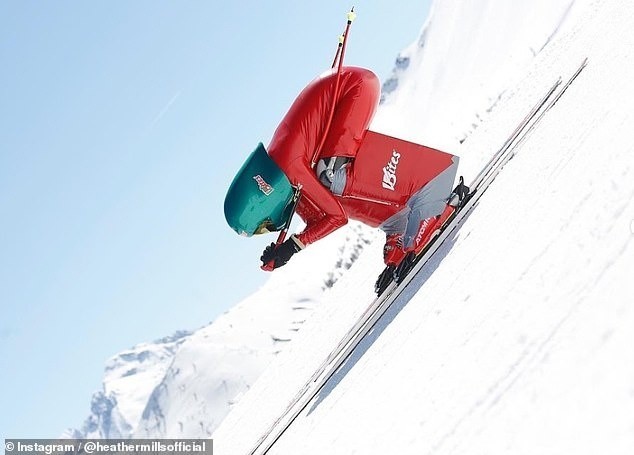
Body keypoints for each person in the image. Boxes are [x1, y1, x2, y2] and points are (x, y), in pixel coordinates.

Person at [224, 66, 467, 272]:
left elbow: (336, 217)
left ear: (262, 201)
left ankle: (431, 186)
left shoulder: (289, 166)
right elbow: (319, 213)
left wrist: (294, 245)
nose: (270, 227)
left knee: (331, 177)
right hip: (346, 93)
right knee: (328, 186)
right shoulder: (283, 172)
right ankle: (398, 223)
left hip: (355, 88)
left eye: (263, 225)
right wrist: (287, 247)